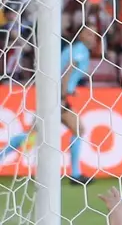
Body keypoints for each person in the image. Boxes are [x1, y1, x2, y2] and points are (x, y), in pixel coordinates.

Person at [1, 25, 95, 184]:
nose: (92, 38)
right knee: (76, 130)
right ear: (80, 36)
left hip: (54, 94)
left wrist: (70, 91)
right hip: (57, 97)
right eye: (89, 34)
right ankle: (76, 175)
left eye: (94, 35)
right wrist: (64, 95)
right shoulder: (79, 50)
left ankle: (76, 174)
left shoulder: (76, 49)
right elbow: (66, 72)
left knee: (35, 134)